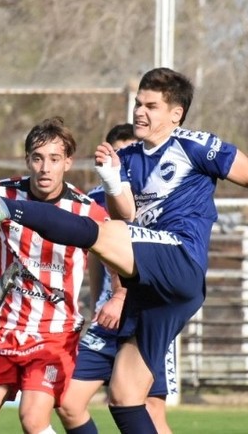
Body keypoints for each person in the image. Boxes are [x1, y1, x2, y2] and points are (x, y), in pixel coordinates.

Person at [0, 67, 248, 433]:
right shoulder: (128, 158)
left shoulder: (195, 145)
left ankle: (8, 208)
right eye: (138, 104)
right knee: (124, 397)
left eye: (151, 106)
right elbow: (125, 213)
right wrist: (112, 177)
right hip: (153, 289)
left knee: (103, 232)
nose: (139, 112)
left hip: (180, 258)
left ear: (176, 113)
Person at [0, 116, 108, 434]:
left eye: (54, 159)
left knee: (33, 419)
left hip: (55, 333)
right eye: (38, 158)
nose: (45, 168)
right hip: (4, 329)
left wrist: (117, 296)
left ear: (67, 162)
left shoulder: (87, 211)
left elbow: (113, 255)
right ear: (27, 160)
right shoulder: (1, 195)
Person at [56, 122, 176, 434]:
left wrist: (124, 296)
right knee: (68, 403)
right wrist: (101, 300)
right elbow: (98, 255)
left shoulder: (159, 195)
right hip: (108, 320)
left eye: (130, 155)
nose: (123, 164)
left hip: (148, 317)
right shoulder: (96, 200)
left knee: (150, 410)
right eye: (118, 156)